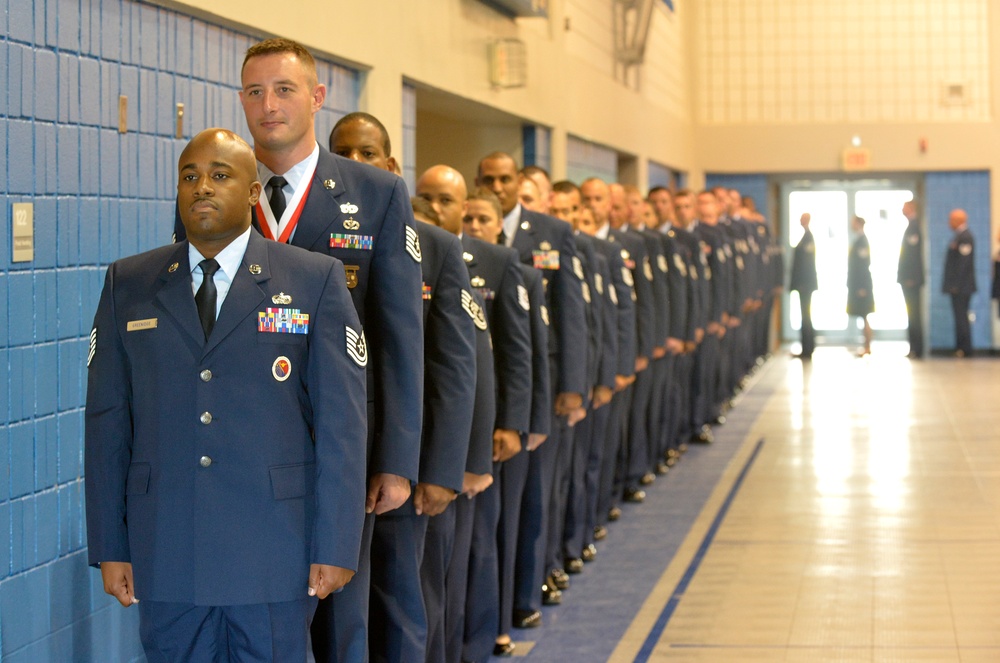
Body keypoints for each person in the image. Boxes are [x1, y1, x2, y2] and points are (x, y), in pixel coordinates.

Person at [86, 129, 369, 661]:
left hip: (275, 549)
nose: (202, 187)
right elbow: (107, 423)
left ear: (254, 192)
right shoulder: (130, 282)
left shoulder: (313, 280)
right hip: (166, 547)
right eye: (189, 176)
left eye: (220, 175)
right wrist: (109, 545)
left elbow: (343, 426)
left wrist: (336, 545)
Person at [328, 113, 478, 663]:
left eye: (367, 154)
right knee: (343, 614)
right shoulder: (316, 237)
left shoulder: (434, 247)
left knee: (398, 602)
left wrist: (440, 468)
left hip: (401, 463)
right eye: (343, 153)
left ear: (391, 166)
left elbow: (452, 367)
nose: (355, 164)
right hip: (342, 462)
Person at [478, 152, 587, 629]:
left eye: (506, 178)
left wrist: (572, 385)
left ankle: (526, 594)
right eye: (490, 179)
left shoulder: (551, 233)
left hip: (541, 378)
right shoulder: (472, 233)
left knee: (533, 497)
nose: (498, 186)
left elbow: (569, 312)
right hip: (490, 382)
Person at [943, 208, 976, 357]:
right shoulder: (958, 237)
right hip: (959, 286)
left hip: (962, 287)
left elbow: (964, 263)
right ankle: (960, 347)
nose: (949, 223)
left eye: (951, 219)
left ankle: (965, 348)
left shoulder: (965, 237)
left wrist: (956, 285)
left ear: (958, 220)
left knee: (962, 317)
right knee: (959, 317)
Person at [897, 200, 925, 358]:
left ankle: (917, 348)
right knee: (911, 314)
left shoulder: (914, 227)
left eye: (905, 206)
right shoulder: (910, 226)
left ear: (912, 208)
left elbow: (913, 255)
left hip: (911, 280)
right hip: (909, 279)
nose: (902, 209)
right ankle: (914, 347)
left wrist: (911, 277)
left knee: (914, 314)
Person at [789, 213, 818, 359]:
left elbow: (806, 263)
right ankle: (806, 347)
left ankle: (808, 348)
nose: (800, 221)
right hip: (804, 284)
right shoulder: (805, 236)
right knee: (804, 315)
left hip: (805, 284)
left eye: (803, 218)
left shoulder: (808, 237)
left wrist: (802, 283)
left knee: (806, 316)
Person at [847, 215, 874, 356]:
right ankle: (866, 346)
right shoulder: (858, 240)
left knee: (865, 315)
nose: (851, 225)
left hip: (863, 286)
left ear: (858, 224)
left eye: (853, 222)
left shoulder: (862, 241)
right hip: (859, 285)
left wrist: (862, 287)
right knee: (863, 316)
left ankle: (867, 346)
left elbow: (863, 265)